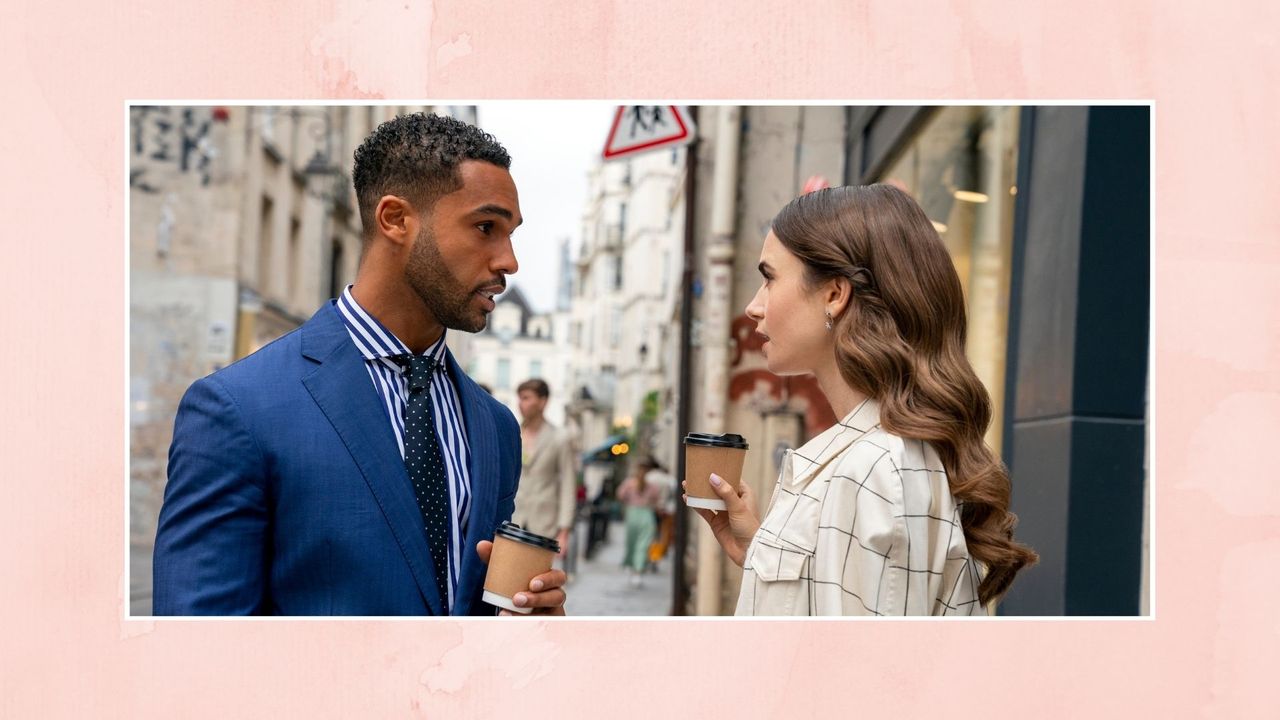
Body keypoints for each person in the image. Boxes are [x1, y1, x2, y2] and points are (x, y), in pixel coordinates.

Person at [153, 113, 567, 616]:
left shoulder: (495, 426)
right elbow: (198, 651)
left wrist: (526, 622)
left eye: (511, 234)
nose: (509, 261)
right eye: (486, 227)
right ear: (394, 219)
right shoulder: (238, 409)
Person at [686, 184, 1037, 616]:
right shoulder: (867, 460)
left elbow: (871, 678)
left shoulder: (877, 467)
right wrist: (762, 551)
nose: (753, 306)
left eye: (769, 278)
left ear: (834, 294)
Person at [511, 378, 576, 558]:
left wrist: (564, 531)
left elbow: (568, 485)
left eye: (526, 398)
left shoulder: (560, 437)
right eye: (519, 398)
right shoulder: (513, 433)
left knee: (536, 582)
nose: (520, 404)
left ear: (543, 401)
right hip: (512, 520)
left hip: (544, 525)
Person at [616, 457, 664, 588]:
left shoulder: (630, 483)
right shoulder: (652, 486)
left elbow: (620, 495)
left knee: (632, 542)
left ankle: (633, 568)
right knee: (643, 544)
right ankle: (637, 571)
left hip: (633, 513)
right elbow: (657, 501)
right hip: (646, 514)